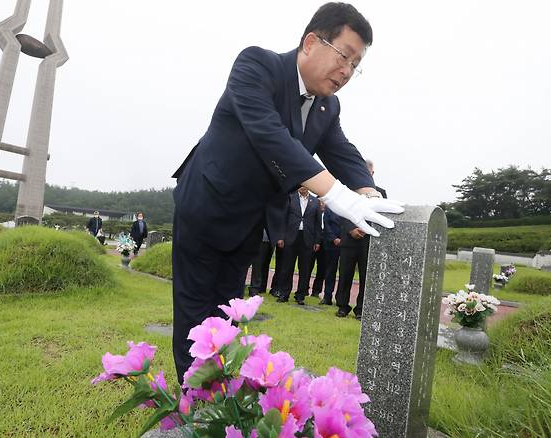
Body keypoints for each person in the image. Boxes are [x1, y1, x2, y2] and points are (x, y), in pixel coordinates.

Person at [170, 3, 403, 383]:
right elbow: (269, 135)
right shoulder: (257, 66)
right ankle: (193, 405)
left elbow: (342, 151)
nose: (347, 72)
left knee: (226, 315)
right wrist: (338, 196)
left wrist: (369, 192)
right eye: (344, 56)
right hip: (206, 206)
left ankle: (221, 398)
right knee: (195, 315)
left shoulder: (328, 105)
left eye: (355, 66)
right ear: (311, 42)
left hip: (249, 222)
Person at [335, 159, 387, 319]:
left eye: (368, 172)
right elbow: (341, 212)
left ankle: (361, 309)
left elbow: (382, 214)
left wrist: (365, 229)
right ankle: (342, 306)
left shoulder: (381, 193)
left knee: (366, 276)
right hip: (349, 240)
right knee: (345, 274)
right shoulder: (348, 190)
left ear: (372, 173)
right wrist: (351, 229)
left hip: (368, 241)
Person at [277, 187, 322, 305]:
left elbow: (318, 224)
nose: (303, 187)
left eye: (305, 185)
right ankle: (284, 294)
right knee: (287, 267)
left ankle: (300, 295)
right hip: (291, 237)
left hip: (307, 239)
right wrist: (281, 237)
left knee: (305, 269)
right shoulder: (290, 198)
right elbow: (283, 219)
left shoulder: (315, 202)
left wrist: (317, 241)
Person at [318, 206, 342, 305]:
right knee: (330, 271)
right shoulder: (330, 207)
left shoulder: (349, 206)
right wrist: (334, 238)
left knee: (344, 273)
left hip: (346, 243)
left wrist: (343, 239)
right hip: (331, 244)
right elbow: (326, 224)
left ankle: (341, 300)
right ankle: (327, 297)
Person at [309, 200, 327, 297]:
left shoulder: (329, 214)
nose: (322, 204)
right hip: (312, 242)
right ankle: (304, 288)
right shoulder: (312, 213)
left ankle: (316, 291)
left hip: (325, 244)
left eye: (324, 202)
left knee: (322, 268)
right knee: (308, 266)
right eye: (320, 202)